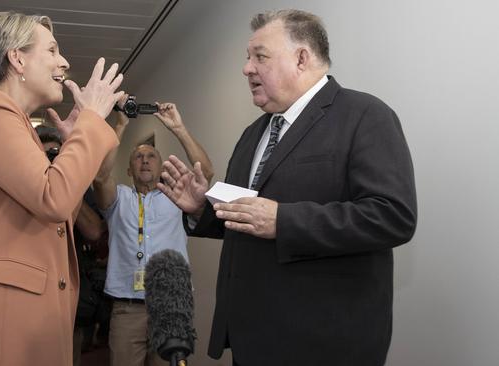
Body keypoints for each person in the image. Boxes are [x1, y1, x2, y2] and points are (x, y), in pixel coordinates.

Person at [158, 9, 417, 366]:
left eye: (259, 56)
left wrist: (285, 220)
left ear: (302, 58)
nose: (247, 68)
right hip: (253, 339)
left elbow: (392, 216)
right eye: (247, 58)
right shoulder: (254, 134)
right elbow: (251, 217)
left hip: (324, 345)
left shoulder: (365, 115)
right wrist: (203, 208)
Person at [0, 11, 124, 366]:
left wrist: (72, 145)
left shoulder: (11, 123)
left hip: (18, 309)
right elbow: (54, 199)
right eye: (51, 50)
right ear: (17, 58)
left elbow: (51, 202)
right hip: (5, 315)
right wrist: (91, 122)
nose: (63, 61)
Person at [94, 102, 213, 366]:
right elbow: (100, 176)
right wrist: (122, 125)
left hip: (170, 306)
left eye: (151, 157)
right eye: (138, 157)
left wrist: (178, 128)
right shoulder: (119, 199)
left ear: (160, 169)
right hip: (127, 309)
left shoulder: (177, 198)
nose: (145, 160)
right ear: (128, 170)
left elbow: (205, 173)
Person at [35, 124, 109, 366]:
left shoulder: (77, 187)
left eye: (56, 154)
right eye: (44, 154)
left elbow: (94, 231)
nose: (51, 160)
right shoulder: (23, 182)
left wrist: (65, 185)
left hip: (66, 294)